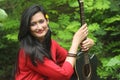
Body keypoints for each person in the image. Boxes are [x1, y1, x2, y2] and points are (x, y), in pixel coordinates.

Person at [14, 4, 94, 80]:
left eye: (41, 21)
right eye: (33, 24)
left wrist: (85, 45)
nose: (39, 27)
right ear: (27, 27)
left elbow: (70, 62)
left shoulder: (51, 43)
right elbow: (64, 75)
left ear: (47, 21)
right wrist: (75, 42)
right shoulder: (29, 52)